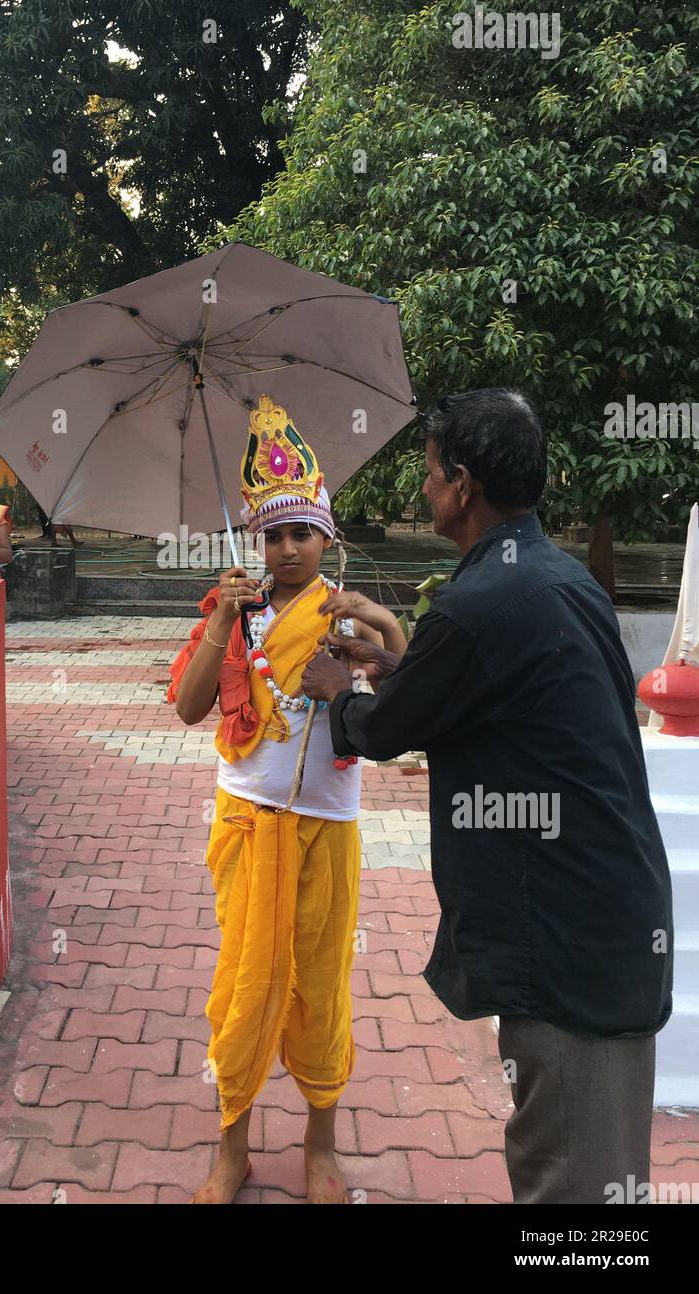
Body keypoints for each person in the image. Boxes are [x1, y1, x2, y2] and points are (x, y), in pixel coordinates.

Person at [302, 387, 674, 1205]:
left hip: (568, 936)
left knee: (574, 1193)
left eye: (431, 475)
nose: (423, 491)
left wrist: (337, 690)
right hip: (600, 911)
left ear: (463, 484)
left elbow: (381, 731)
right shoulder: (556, 579)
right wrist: (393, 669)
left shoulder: (475, 606)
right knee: (578, 1163)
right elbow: (482, 697)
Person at [167, 395, 407, 1204]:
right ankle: (230, 1142)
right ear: (255, 540)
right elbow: (189, 709)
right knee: (242, 984)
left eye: (301, 532)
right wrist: (220, 626)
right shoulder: (236, 609)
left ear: (327, 538)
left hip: (326, 830)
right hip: (246, 823)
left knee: (320, 983)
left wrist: (377, 622)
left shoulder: (344, 611)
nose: (286, 548)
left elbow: (406, 693)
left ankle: (320, 1145)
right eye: (272, 534)